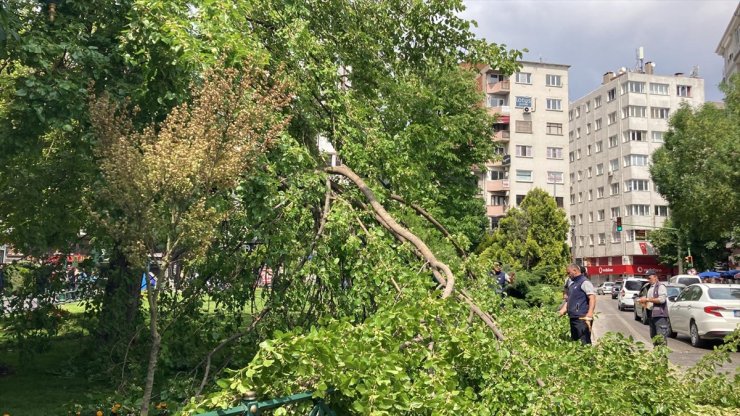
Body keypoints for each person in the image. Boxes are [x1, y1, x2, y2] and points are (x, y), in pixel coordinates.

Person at [558, 264, 596, 345]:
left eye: (569, 273)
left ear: (575, 271)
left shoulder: (584, 282)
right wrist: (561, 311)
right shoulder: (573, 284)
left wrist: (590, 314)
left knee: (584, 343)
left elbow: (592, 298)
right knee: (576, 343)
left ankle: (588, 358)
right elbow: (568, 301)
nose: (568, 275)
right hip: (574, 318)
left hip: (582, 318)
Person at [638, 270, 669, 346]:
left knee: (661, 338)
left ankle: (662, 357)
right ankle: (657, 356)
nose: (648, 280)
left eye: (649, 278)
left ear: (655, 277)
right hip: (652, 315)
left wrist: (647, 299)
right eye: (647, 278)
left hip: (660, 316)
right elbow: (650, 301)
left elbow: (662, 300)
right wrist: (644, 302)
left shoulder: (661, 286)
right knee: (654, 338)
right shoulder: (650, 287)